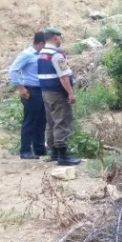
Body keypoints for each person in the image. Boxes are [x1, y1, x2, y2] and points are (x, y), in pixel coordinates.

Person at [38, 27, 80, 166]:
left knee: (51, 122)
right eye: (60, 37)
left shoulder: (42, 53)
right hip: (57, 93)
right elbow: (63, 77)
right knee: (62, 121)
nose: (61, 40)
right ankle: (63, 156)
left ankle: (54, 152)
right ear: (55, 37)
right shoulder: (56, 55)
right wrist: (71, 93)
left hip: (45, 92)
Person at [8, 31, 47, 159]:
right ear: (41, 43)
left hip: (41, 91)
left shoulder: (41, 55)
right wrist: (21, 88)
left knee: (41, 120)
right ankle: (25, 150)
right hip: (30, 90)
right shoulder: (27, 54)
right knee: (30, 121)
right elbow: (13, 70)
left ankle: (39, 148)